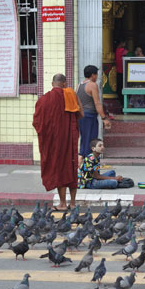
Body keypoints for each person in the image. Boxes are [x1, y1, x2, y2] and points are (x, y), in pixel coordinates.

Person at [33, 73, 83, 210]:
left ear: (52, 84)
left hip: (54, 143)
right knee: (71, 169)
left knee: (60, 169)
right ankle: (73, 203)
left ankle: (62, 203)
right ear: (64, 83)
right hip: (69, 139)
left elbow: (37, 122)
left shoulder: (44, 100)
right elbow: (80, 114)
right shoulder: (70, 95)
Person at [77, 65, 112, 166]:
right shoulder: (92, 85)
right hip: (90, 117)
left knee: (84, 139)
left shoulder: (79, 85)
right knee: (91, 141)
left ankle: (81, 160)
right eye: (96, 74)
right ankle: (88, 164)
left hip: (81, 116)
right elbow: (97, 103)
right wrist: (104, 118)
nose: (97, 77)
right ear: (93, 75)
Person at [115, 40, 128, 104]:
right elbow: (129, 55)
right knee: (123, 87)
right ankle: (124, 102)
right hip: (123, 72)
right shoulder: (123, 50)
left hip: (117, 71)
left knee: (119, 87)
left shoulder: (116, 50)